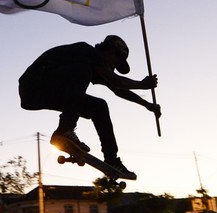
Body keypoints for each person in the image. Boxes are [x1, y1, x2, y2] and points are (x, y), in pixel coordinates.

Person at [18, 35, 160, 178]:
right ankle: (65, 129)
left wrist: (147, 105)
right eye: (115, 64)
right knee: (82, 70)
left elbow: (118, 89)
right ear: (110, 51)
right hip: (34, 84)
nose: (113, 69)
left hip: (46, 92)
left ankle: (111, 160)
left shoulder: (95, 65)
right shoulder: (87, 51)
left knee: (99, 107)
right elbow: (116, 81)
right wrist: (142, 85)